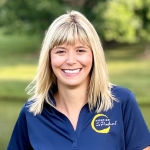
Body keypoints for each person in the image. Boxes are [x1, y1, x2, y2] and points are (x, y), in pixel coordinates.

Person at [7, 10, 150, 150]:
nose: (70, 61)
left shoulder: (121, 102)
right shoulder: (31, 113)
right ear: (48, 58)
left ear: (94, 55)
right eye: (61, 51)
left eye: (80, 50)